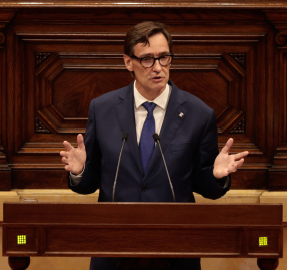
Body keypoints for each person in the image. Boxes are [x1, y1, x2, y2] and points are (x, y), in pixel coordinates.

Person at [60, 21, 249, 270]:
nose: (158, 67)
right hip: (114, 249)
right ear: (128, 62)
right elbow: (90, 184)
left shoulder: (198, 114)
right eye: (147, 59)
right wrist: (79, 172)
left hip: (175, 249)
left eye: (164, 58)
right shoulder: (102, 108)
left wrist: (216, 177)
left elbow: (206, 188)